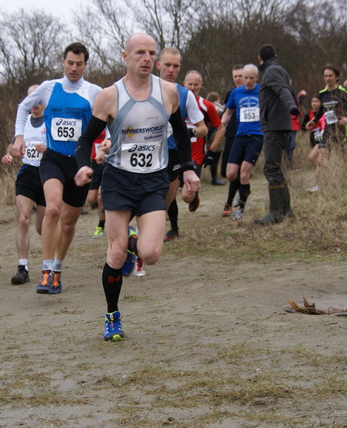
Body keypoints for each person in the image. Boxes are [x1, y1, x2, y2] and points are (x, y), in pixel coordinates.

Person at [74, 32, 200, 341]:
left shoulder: (169, 92)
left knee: (151, 253)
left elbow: (182, 136)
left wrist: (188, 170)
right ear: (125, 57)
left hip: (153, 180)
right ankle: (112, 315)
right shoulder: (109, 96)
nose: (147, 58)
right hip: (118, 179)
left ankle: (135, 242)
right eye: (140, 52)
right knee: (115, 255)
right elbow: (85, 140)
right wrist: (82, 166)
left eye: (151, 53)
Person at [13, 42, 101, 294]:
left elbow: (109, 118)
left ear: (86, 65)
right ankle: (45, 272)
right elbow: (22, 107)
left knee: (69, 224)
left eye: (79, 64)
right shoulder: (48, 87)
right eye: (70, 63)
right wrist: (19, 137)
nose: (74, 68)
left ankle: (57, 271)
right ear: (63, 62)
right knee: (52, 209)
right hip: (52, 158)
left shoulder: (93, 92)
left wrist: (107, 143)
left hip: (80, 163)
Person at [155, 47, 206, 242]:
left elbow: (203, 128)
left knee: (166, 199)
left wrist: (187, 131)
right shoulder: (145, 89)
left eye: (175, 66)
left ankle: (163, 231)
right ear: (158, 65)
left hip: (173, 152)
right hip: (148, 152)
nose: (171, 70)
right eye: (167, 65)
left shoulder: (186, 95)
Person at [2, 84, 47, 285]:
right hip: (28, 173)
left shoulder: (53, 121)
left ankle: (49, 266)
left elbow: (65, 147)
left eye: (38, 99)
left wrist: (49, 148)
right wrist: (10, 153)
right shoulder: (24, 122)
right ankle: (22, 268)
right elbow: (13, 145)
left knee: (43, 227)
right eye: (30, 99)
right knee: (22, 219)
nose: (34, 104)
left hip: (48, 174)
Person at [207, 64, 263, 220]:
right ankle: (245, 190)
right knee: (230, 173)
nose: (249, 81)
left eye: (252, 78)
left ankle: (241, 209)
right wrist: (219, 125)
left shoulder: (262, 91)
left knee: (244, 173)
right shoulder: (236, 93)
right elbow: (228, 113)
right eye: (246, 78)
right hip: (240, 136)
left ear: (256, 78)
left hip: (257, 136)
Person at [254, 44, 299, 225]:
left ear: (259, 58)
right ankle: (286, 210)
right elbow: (288, 89)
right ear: (276, 54)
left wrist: (292, 107)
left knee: (270, 168)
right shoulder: (280, 70)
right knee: (276, 168)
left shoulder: (271, 72)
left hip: (275, 126)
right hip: (281, 125)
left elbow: (284, 91)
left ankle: (275, 213)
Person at [184, 70, 222, 197]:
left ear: (201, 85)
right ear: (184, 84)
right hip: (177, 154)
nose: (192, 88)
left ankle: (194, 199)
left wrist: (212, 150)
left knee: (189, 194)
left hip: (196, 156)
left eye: (196, 85)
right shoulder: (175, 103)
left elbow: (221, 128)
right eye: (190, 84)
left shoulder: (207, 106)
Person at [220, 65, 245, 217]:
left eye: (240, 75)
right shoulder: (231, 93)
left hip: (244, 135)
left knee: (237, 170)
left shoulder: (252, 92)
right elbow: (226, 112)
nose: (237, 79)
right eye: (235, 76)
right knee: (225, 170)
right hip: (230, 134)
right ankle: (240, 189)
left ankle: (229, 203)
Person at [205, 91, 226, 186]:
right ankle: (214, 177)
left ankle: (213, 177)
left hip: (209, 135)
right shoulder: (219, 108)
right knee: (215, 158)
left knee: (211, 157)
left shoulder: (206, 107)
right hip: (217, 135)